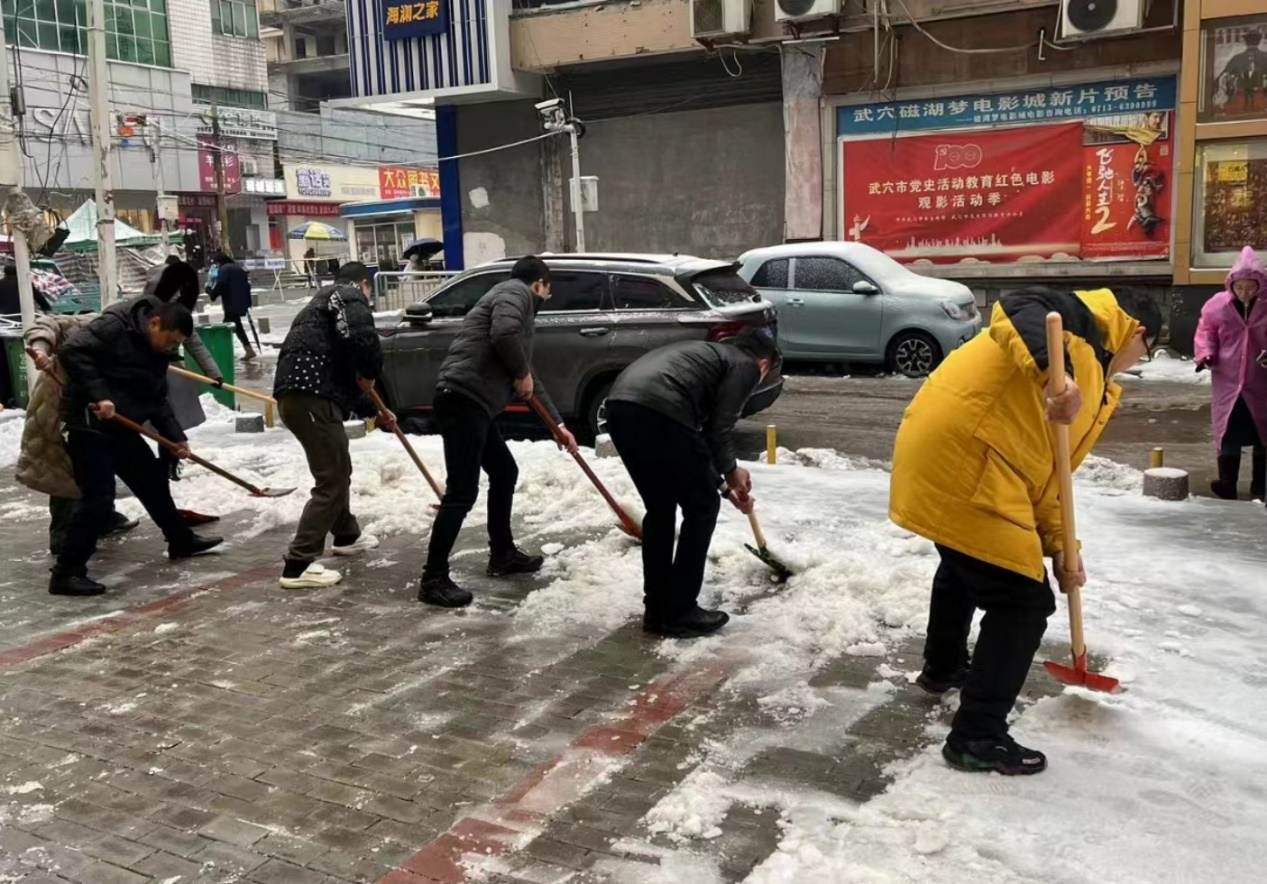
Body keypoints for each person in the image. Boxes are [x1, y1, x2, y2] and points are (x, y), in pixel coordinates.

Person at [889, 287, 1161, 775]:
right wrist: (1054, 375)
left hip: (956, 456)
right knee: (1022, 600)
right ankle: (976, 735)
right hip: (970, 460)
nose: (1140, 361)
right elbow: (1019, 303)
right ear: (1138, 334)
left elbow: (1049, 474)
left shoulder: (1091, 368)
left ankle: (944, 666)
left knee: (965, 565)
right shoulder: (1077, 327)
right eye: (1149, 351)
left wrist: (1062, 550)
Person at [419, 255, 578, 608]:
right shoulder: (513, 291)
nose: (546, 300)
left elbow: (529, 378)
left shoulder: (515, 307)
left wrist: (559, 427)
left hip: (473, 403)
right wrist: (521, 373)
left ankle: (503, 554)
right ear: (540, 284)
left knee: (505, 471)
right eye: (547, 293)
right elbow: (504, 336)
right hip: (463, 399)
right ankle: (433, 579)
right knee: (461, 492)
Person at [604, 328, 781, 638]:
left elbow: (694, 446)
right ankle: (681, 610)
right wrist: (731, 472)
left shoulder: (707, 357)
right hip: (661, 410)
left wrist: (726, 487)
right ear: (764, 364)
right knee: (702, 508)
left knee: (660, 508)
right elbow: (719, 428)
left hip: (621, 408)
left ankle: (657, 608)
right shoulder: (745, 364)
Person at [52, 298, 223, 596]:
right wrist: (100, 395)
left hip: (121, 424)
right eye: (170, 340)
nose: (171, 347)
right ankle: (67, 573)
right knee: (98, 499)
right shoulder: (113, 326)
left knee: (152, 482)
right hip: (88, 422)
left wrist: (175, 437)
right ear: (154, 323)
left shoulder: (157, 351)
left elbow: (155, 397)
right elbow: (71, 350)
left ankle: (180, 540)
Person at [272, 262, 396, 590]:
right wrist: (371, 370)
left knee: (339, 467)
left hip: (304, 397)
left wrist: (375, 410)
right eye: (368, 291)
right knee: (331, 480)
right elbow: (364, 341)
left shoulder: (323, 303)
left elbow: (344, 375)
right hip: (311, 398)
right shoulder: (349, 297)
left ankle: (346, 535)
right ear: (364, 284)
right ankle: (298, 564)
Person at [18, 316, 140, 556]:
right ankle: (62, 538)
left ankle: (103, 518)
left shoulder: (132, 341)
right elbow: (45, 324)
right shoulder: (91, 325)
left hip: (93, 409)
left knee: (97, 468)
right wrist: (41, 350)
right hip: (57, 409)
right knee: (64, 471)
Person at [1195, 246, 1267, 502]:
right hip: (1228, 380)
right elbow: (1206, 332)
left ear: (1260, 285)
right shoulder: (1217, 306)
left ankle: (1261, 484)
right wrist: (1206, 354)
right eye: (1240, 287)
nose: (1245, 292)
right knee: (1228, 432)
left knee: (1263, 433)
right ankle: (1227, 482)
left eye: (1250, 287)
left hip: (1261, 382)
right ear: (1231, 285)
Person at [145, 260, 224, 481]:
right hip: (144, 375)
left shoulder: (177, 316)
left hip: (172, 374)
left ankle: (169, 464)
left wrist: (214, 374)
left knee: (171, 424)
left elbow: (195, 344)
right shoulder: (145, 312)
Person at [208, 253, 256, 361]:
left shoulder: (224, 269)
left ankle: (221, 351)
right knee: (236, 325)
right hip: (240, 301)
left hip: (231, 302)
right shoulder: (238, 268)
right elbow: (247, 285)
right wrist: (247, 302)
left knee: (227, 326)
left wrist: (212, 294)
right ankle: (248, 349)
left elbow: (221, 284)